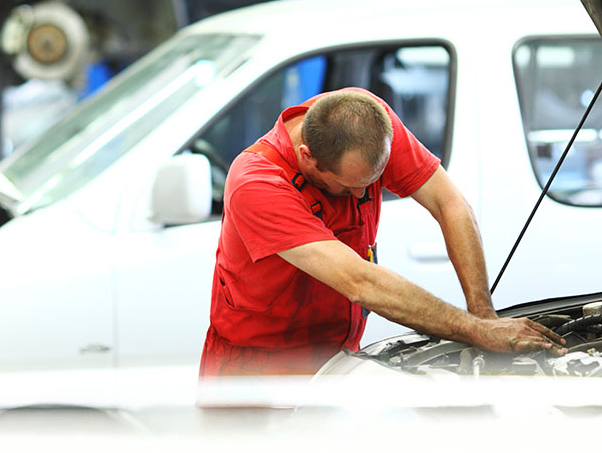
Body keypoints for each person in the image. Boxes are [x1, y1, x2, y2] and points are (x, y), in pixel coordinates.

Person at [199, 87, 565, 377]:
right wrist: (474, 331)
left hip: (337, 357)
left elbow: (449, 203)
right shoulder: (257, 184)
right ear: (308, 156)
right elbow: (361, 282)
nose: (361, 196)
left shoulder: (367, 121)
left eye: (372, 183)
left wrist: (483, 312)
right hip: (256, 373)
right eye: (347, 186)